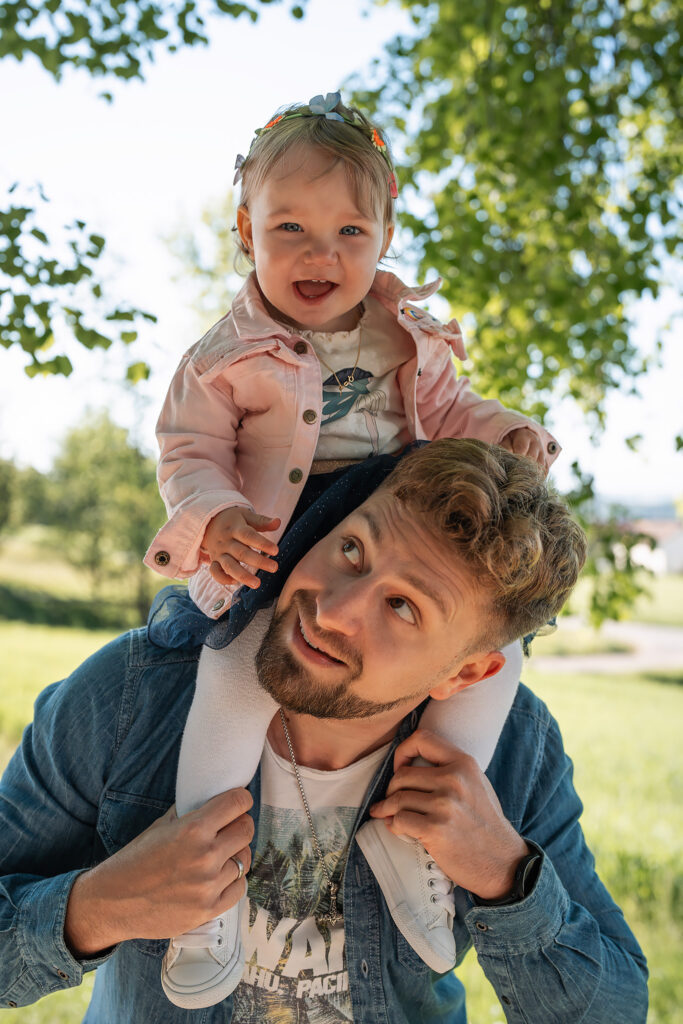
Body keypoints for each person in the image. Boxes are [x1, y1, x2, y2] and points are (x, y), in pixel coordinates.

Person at [141, 91, 562, 1004]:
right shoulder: (226, 355)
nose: (318, 254)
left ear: (384, 233)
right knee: (232, 684)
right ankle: (203, 888)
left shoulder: (406, 336)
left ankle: (415, 836)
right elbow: (189, 450)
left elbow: (450, 417)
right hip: (275, 563)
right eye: (288, 225)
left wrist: (506, 431)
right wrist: (213, 518)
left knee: (497, 660)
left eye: (348, 230)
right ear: (245, 229)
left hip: (383, 546)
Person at [0, 440, 648, 1022]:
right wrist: (97, 908)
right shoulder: (131, 693)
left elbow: (613, 1009)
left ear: (468, 672)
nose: (331, 609)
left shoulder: (515, 750)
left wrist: (506, 875)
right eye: (351, 549)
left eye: (401, 605)